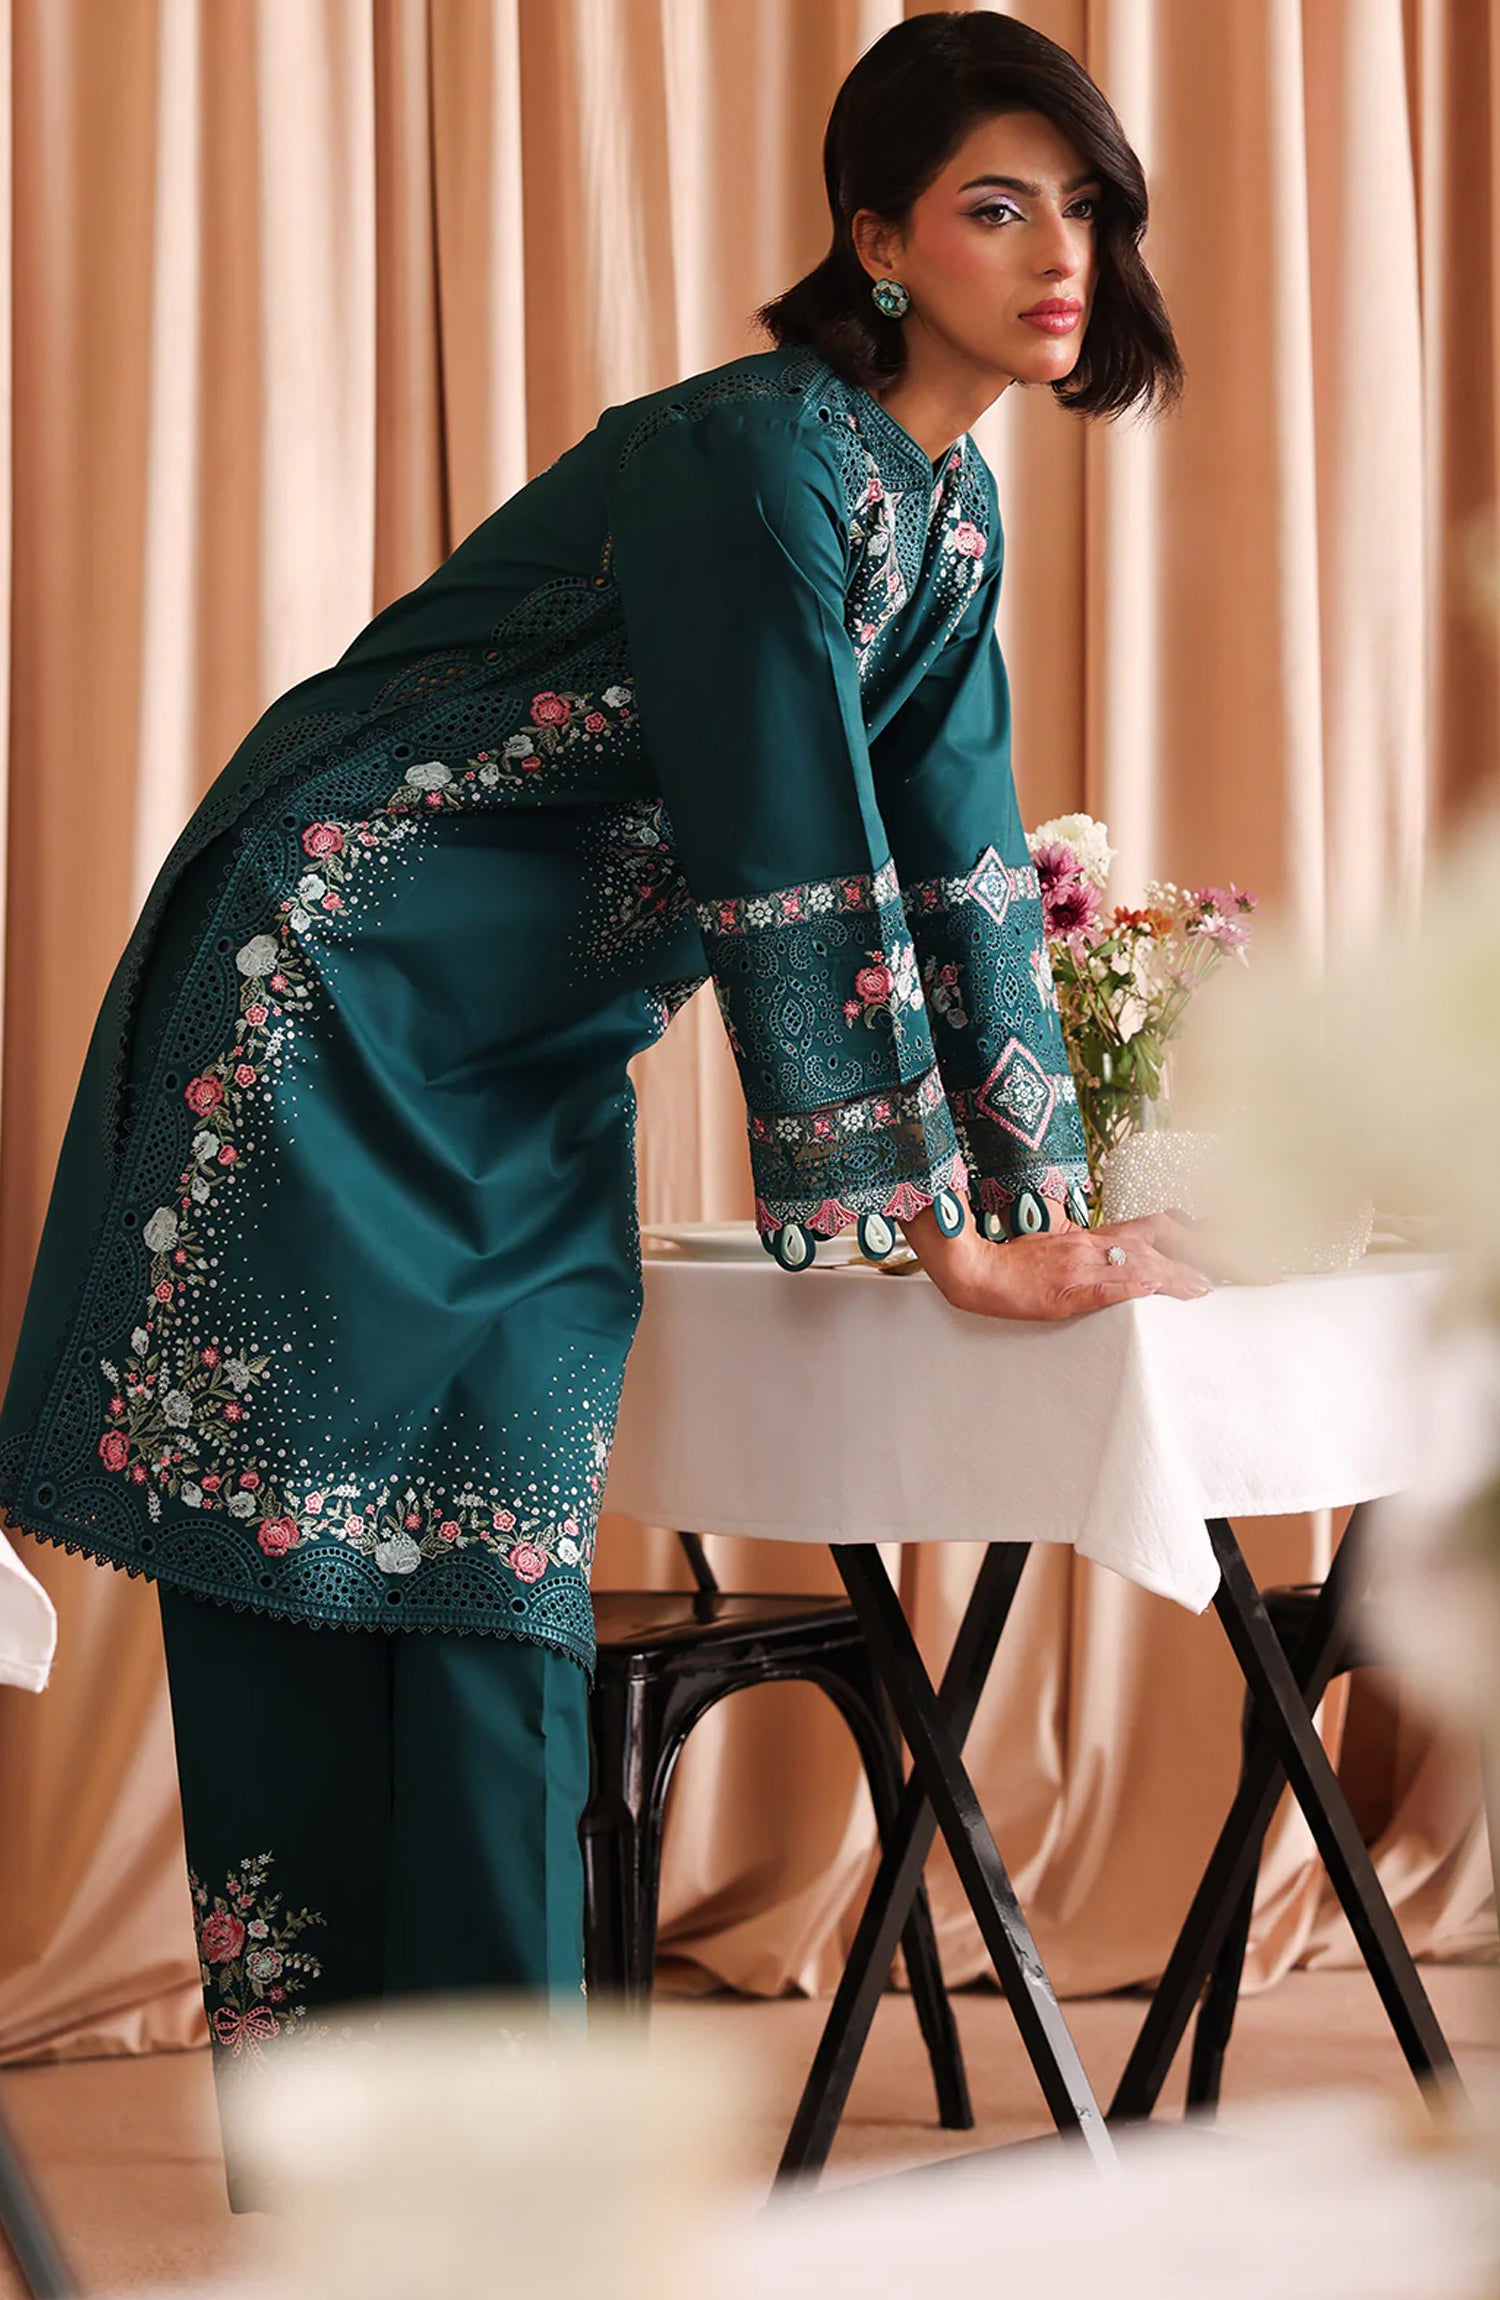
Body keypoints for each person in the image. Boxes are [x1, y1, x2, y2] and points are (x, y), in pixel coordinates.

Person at [0, 3, 1206, 2182]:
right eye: (998, 208)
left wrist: (1037, 1195)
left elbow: (958, 855)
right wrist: (944, 1239)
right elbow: (789, 842)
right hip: (328, 992)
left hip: (524, 1051)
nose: (1064, 259)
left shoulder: (936, 512)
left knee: (493, 1577)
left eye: (1087, 213)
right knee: (302, 1571)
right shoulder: (759, 456)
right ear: (876, 241)